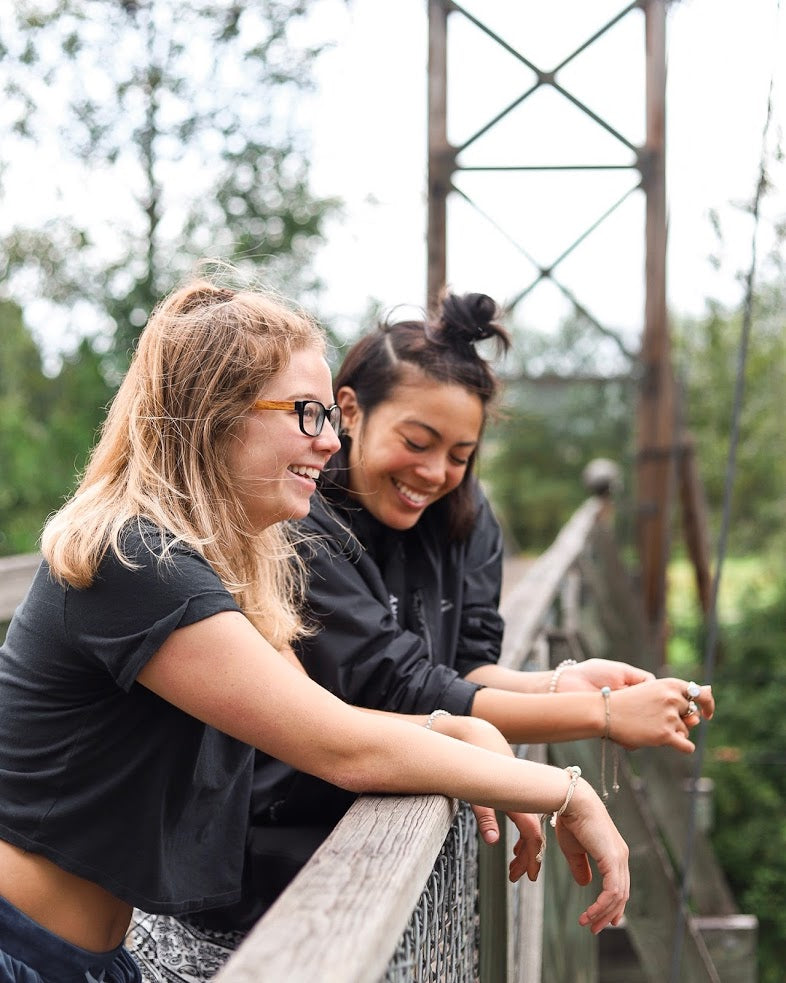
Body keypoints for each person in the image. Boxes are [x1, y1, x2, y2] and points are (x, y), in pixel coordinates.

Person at [0, 275, 630, 983]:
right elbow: (338, 748)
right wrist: (564, 790)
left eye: (329, 415)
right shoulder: (135, 558)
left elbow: (323, 718)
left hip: (93, 959)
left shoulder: (215, 563)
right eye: (307, 413)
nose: (330, 441)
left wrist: (459, 729)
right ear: (216, 412)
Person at [206, 289, 713, 926]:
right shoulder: (294, 525)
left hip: (404, 846)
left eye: (459, 456)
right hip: (276, 859)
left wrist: (559, 684)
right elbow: (398, 688)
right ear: (350, 411)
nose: (434, 472)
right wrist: (602, 715)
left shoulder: (466, 517)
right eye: (417, 441)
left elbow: (465, 668)